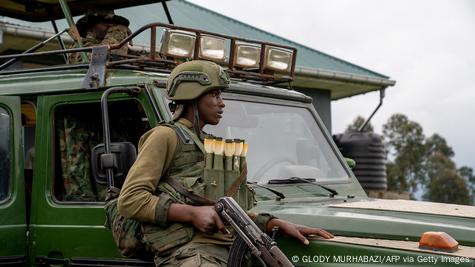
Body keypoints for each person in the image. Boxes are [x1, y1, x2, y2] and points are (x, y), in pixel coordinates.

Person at [117, 60, 334, 266]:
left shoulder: (207, 144)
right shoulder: (165, 136)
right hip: (191, 253)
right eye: (213, 94)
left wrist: (273, 224)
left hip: (229, 249)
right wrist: (192, 214)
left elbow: (222, 207)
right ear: (193, 96)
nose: (221, 102)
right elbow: (130, 200)